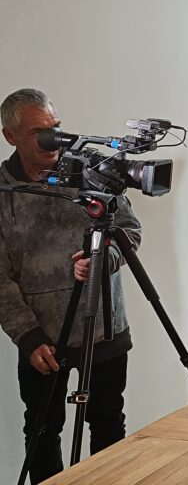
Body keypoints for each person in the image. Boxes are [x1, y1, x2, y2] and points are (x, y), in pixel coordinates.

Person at [0, 88, 142, 484]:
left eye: (56, 128)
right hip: (42, 339)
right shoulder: (2, 191)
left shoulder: (89, 173)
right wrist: (26, 337)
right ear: (10, 136)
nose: (52, 139)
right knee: (43, 432)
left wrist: (104, 260)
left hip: (105, 329)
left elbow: (129, 230)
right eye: (38, 132)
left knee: (109, 424)